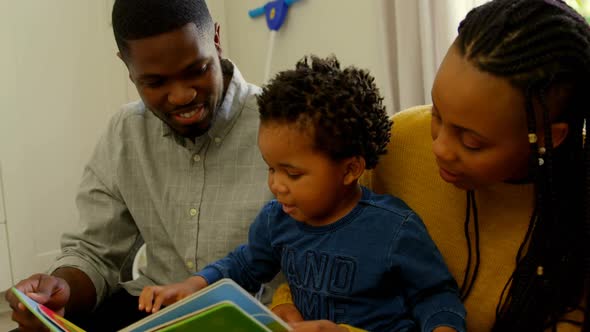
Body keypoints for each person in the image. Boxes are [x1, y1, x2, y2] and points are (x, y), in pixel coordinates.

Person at [270, 0, 590, 331]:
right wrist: (289, 301)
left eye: (472, 142)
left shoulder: (577, 213)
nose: (438, 147)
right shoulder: (400, 143)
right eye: (437, 113)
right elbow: (311, 235)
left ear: (548, 136)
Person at [137, 55, 466, 332]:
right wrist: (192, 286)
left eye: (292, 174)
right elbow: (244, 264)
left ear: (350, 170)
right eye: (271, 168)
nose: (277, 185)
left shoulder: (393, 228)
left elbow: (436, 296)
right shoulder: (277, 218)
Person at [4, 0, 274, 331]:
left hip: (255, 317)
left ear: (216, 40)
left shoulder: (285, 125)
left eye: (197, 70)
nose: (181, 96)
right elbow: (93, 253)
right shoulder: (126, 130)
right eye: (156, 82)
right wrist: (61, 292)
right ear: (127, 66)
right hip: (153, 313)